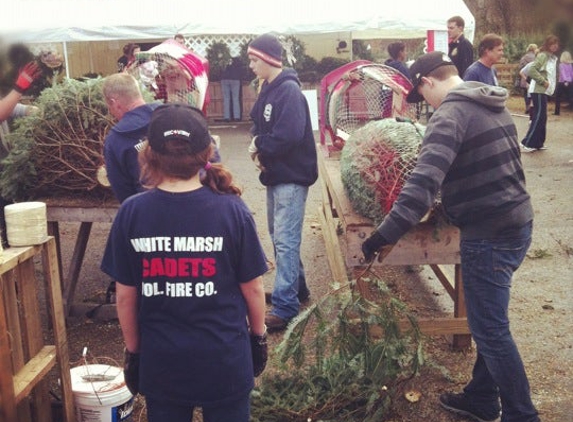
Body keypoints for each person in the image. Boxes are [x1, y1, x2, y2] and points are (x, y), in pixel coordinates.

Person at [362, 51, 540, 422]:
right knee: (490, 321)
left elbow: (422, 185)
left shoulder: (449, 115)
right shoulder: (490, 100)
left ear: (427, 82)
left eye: (421, 93)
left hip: (488, 235)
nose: (424, 102)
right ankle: (480, 398)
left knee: (490, 331)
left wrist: (384, 234)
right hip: (518, 223)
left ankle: (522, 415)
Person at [100, 103, 268, 422]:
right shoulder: (232, 210)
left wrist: (134, 353)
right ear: (209, 152)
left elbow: (125, 298)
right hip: (225, 359)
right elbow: (254, 289)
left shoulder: (132, 213)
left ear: (148, 154)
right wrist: (258, 337)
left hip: (163, 363)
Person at [247, 33, 318, 332]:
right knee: (280, 236)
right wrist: (259, 143)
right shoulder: (268, 87)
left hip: (291, 176)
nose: (250, 66)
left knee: (285, 241)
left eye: (253, 60)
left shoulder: (288, 91)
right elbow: (259, 120)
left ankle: (286, 307)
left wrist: (260, 145)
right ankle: (297, 290)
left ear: (267, 59)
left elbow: (288, 135)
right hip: (277, 175)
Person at [102, 73, 162, 203]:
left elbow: (124, 193)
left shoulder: (115, 140)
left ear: (113, 103)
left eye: (109, 108)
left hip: (148, 211)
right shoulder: (172, 114)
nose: (111, 113)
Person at [521, 35, 560, 152]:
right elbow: (531, 70)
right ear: (548, 44)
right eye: (553, 43)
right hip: (538, 90)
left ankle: (538, 143)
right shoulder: (543, 56)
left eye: (556, 44)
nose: (555, 46)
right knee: (538, 116)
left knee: (542, 117)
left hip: (543, 91)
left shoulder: (551, 57)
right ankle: (527, 143)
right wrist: (543, 82)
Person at [221, 57, 243, 121]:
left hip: (224, 79)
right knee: (235, 98)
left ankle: (226, 117)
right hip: (235, 79)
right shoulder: (237, 60)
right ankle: (237, 117)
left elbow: (220, 69)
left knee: (226, 98)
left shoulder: (223, 59)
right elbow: (240, 70)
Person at [518, 44, 538, 113]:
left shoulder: (524, 57)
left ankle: (527, 106)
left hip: (525, 77)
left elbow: (520, 67)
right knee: (532, 92)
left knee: (526, 93)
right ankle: (532, 106)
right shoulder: (536, 57)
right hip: (533, 77)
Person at [554, 50, 573, 115]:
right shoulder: (570, 65)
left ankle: (557, 112)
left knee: (557, 97)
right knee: (570, 97)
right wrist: (570, 81)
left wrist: (565, 81)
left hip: (562, 82)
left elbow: (563, 73)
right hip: (570, 82)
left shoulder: (561, 65)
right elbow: (571, 74)